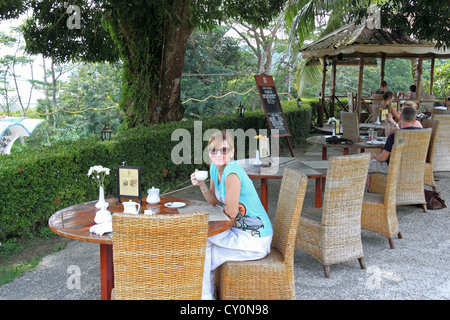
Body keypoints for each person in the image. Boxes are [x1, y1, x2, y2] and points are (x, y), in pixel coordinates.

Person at [190, 130, 273, 300]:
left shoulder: (232, 173)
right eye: (214, 150)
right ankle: (205, 296)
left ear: (232, 152)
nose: (219, 154)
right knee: (203, 253)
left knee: (201, 243)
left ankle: (204, 297)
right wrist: (201, 185)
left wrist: (209, 222)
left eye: (224, 150)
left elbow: (232, 212)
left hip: (255, 239)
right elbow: (213, 201)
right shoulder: (215, 168)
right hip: (238, 232)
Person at [367, 106, 421, 191]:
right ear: (414, 119)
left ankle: (371, 192)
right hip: (414, 166)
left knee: (364, 165)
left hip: (393, 167)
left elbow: (383, 158)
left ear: (400, 117)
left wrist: (374, 156)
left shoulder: (395, 135)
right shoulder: (422, 133)